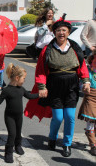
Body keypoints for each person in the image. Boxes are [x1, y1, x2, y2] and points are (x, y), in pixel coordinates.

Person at [24, 14, 90, 157]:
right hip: (54, 86)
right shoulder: (47, 49)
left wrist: (85, 80)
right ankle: (52, 137)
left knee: (70, 116)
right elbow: (41, 69)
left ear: (68, 32)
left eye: (64, 30)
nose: (61, 33)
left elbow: (82, 66)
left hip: (71, 86)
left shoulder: (75, 47)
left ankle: (67, 144)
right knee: (58, 117)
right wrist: (42, 86)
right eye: (59, 30)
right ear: (54, 32)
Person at [0, 63, 39, 163]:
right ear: (17, 78)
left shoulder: (21, 89)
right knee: (12, 134)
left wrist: (40, 95)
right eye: (23, 78)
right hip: (9, 116)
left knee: (18, 133)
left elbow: (30, 96)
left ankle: (18, 146)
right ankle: (8, 152)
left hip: (18, 116)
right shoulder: (7, 90)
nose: (24, 80)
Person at [78, 53, 96, 156]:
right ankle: (93, 145)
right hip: (90, 97)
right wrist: (84, 86)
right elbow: (82, 83)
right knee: (91, 120)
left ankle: (91, 135)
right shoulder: (88, 71)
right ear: (91, 60)